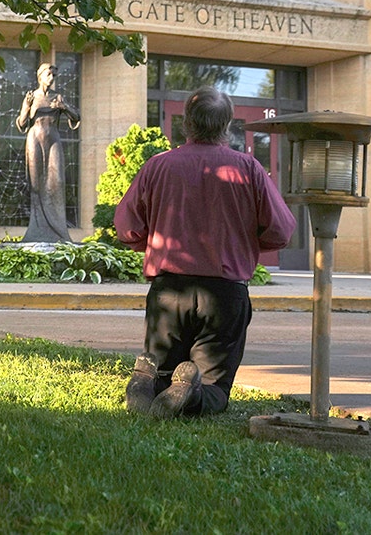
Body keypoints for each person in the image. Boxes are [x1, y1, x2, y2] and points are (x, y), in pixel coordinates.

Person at [115, 87, 295, 418]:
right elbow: (281, 230)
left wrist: (151, 240)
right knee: (215, 387)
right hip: (224, 293)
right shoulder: (249, 169)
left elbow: (127, 226)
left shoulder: (158, 166)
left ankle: (146, 383)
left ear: (187, 125)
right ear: (227, 126)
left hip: (168, 289)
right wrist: (248, 242)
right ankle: (194, 396)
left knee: (164, 370)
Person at [16, 62, 79, 242]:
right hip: (34, 138)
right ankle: (36, 231)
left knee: (56, 181)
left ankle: (58, 231)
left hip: (53, 140)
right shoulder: (31, 96)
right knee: (36, 184)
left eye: (53, 76)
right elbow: (21, 123)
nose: (51, 79)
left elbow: (76, 117)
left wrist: (64, 107)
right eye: (48, 75)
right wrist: (27, 107)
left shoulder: (57, 97)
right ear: (40, 76)